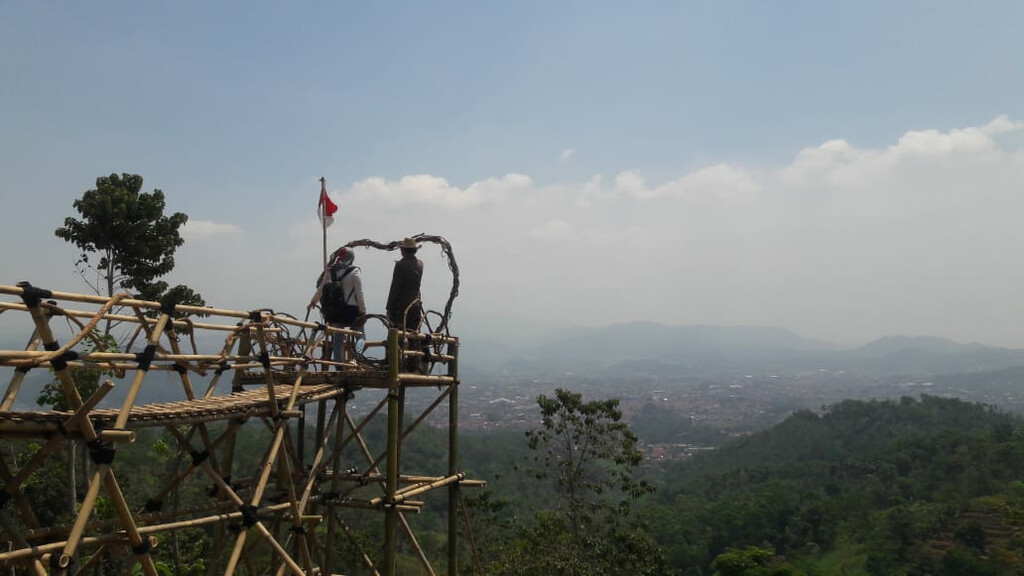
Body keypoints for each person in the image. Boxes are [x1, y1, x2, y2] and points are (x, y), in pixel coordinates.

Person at [308, 246, 366, 363]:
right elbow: (359, 293)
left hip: (336, 310)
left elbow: (321, 289)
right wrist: (363, 311)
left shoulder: (331, 271)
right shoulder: (355, 272)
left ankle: (338, 364)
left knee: (338, 338)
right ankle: (355, 359)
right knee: (361, 336)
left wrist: (313, 302)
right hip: (352, 310)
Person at [386, 237, 424, 331]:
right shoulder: (420, 264)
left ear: (403, 251)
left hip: (400, 308)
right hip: (415, 306)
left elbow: (395, 288)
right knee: (413, 337)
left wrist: (389, 308)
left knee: (397, 337)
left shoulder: (400, 265)